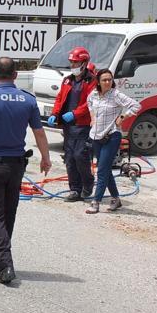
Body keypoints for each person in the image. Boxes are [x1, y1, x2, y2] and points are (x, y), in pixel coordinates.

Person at [0, 57, 52, 285]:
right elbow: (39, 133)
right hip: (16, 165)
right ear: (15, 75)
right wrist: (45, 158)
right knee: (8, 212)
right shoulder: (27, 100)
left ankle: (5, 262)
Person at [84, 69, 140, 214]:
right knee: (106, 170)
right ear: (98, 81)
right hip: (96, 137)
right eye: (104, 80)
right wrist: (92, 117)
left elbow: (136, 105)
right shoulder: (94, 94)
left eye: (110, 79)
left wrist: (122, 117)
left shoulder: (116, 94)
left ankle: (96, 202)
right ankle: (116, 199)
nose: (108, 82)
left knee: (102, 170)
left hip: (112, 136)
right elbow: (89, 102)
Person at [47, 47, 96, 202]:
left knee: (80, 156)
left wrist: (75, 114)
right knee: (69, 158)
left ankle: (87, 185)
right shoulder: (68, 80)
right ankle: (75, 189)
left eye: (76, 62)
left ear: (84, 62)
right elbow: (60, 98)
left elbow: (91, 103)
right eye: (71, 62)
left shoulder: (92, 81)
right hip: (68, 126)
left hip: (83, 125)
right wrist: (55, 114)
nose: (73, 65)